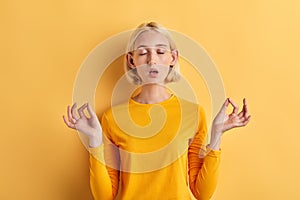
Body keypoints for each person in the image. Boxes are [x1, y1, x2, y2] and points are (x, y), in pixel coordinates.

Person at [63, 22, 251, 200]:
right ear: (131, 60)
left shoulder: (193, 114)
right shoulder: (112, 118)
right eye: (143, 53)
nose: (152, 60)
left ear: (173, 58)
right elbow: (104, 196)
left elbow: (202, 193)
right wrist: (95, 141)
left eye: (160, 51)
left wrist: (217, 135)